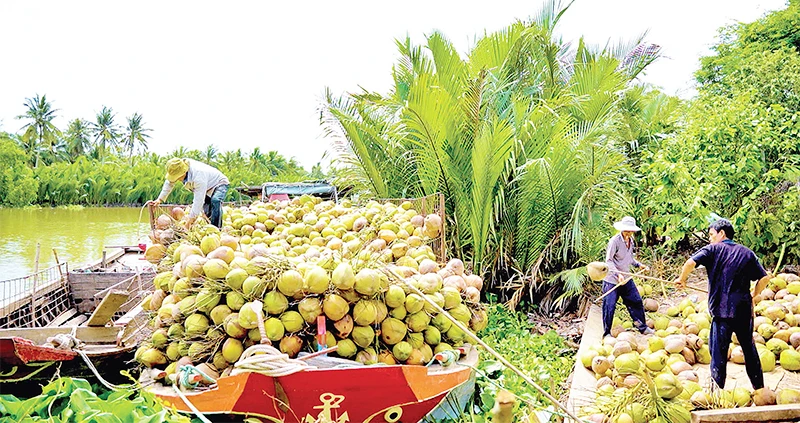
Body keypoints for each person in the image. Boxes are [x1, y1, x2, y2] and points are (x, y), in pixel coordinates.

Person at [673, 218, 771, 390]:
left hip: (721, 312)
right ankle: (760, 389)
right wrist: (754, 295)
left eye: (711, 234)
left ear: (721, 234)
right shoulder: (747, 253)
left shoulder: (712, 250)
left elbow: (690, 263)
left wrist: (682, 279)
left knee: (718, 354)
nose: (710, 238)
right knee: (749, 350)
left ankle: (716, 394)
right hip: (743, 310)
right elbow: (764, 278)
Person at [602, 216, 654, 337]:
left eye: (630, 231)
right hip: (612, 279)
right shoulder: (614, 241)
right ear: (622, 229)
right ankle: (606, 333)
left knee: (635, 300)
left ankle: (642, 327)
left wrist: (639, 265)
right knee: (609, 305)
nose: (628, 233)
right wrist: (618, 274)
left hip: (626, 278)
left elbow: (629, 258)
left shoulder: (631, 241)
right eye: (626, 230)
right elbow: (608, 261)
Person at [148, 158, 230, 228]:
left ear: (183, 172)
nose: (176, 179)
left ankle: (216, 230)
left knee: (215, 201)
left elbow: (198, 201)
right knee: (208, 211)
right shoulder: (177, 166)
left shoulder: (198, 176)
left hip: (219, 183)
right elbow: (169, 183)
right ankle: (210, 225)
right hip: (207, 186)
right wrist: (159, 199)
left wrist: (189, 223)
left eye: (177, 177)